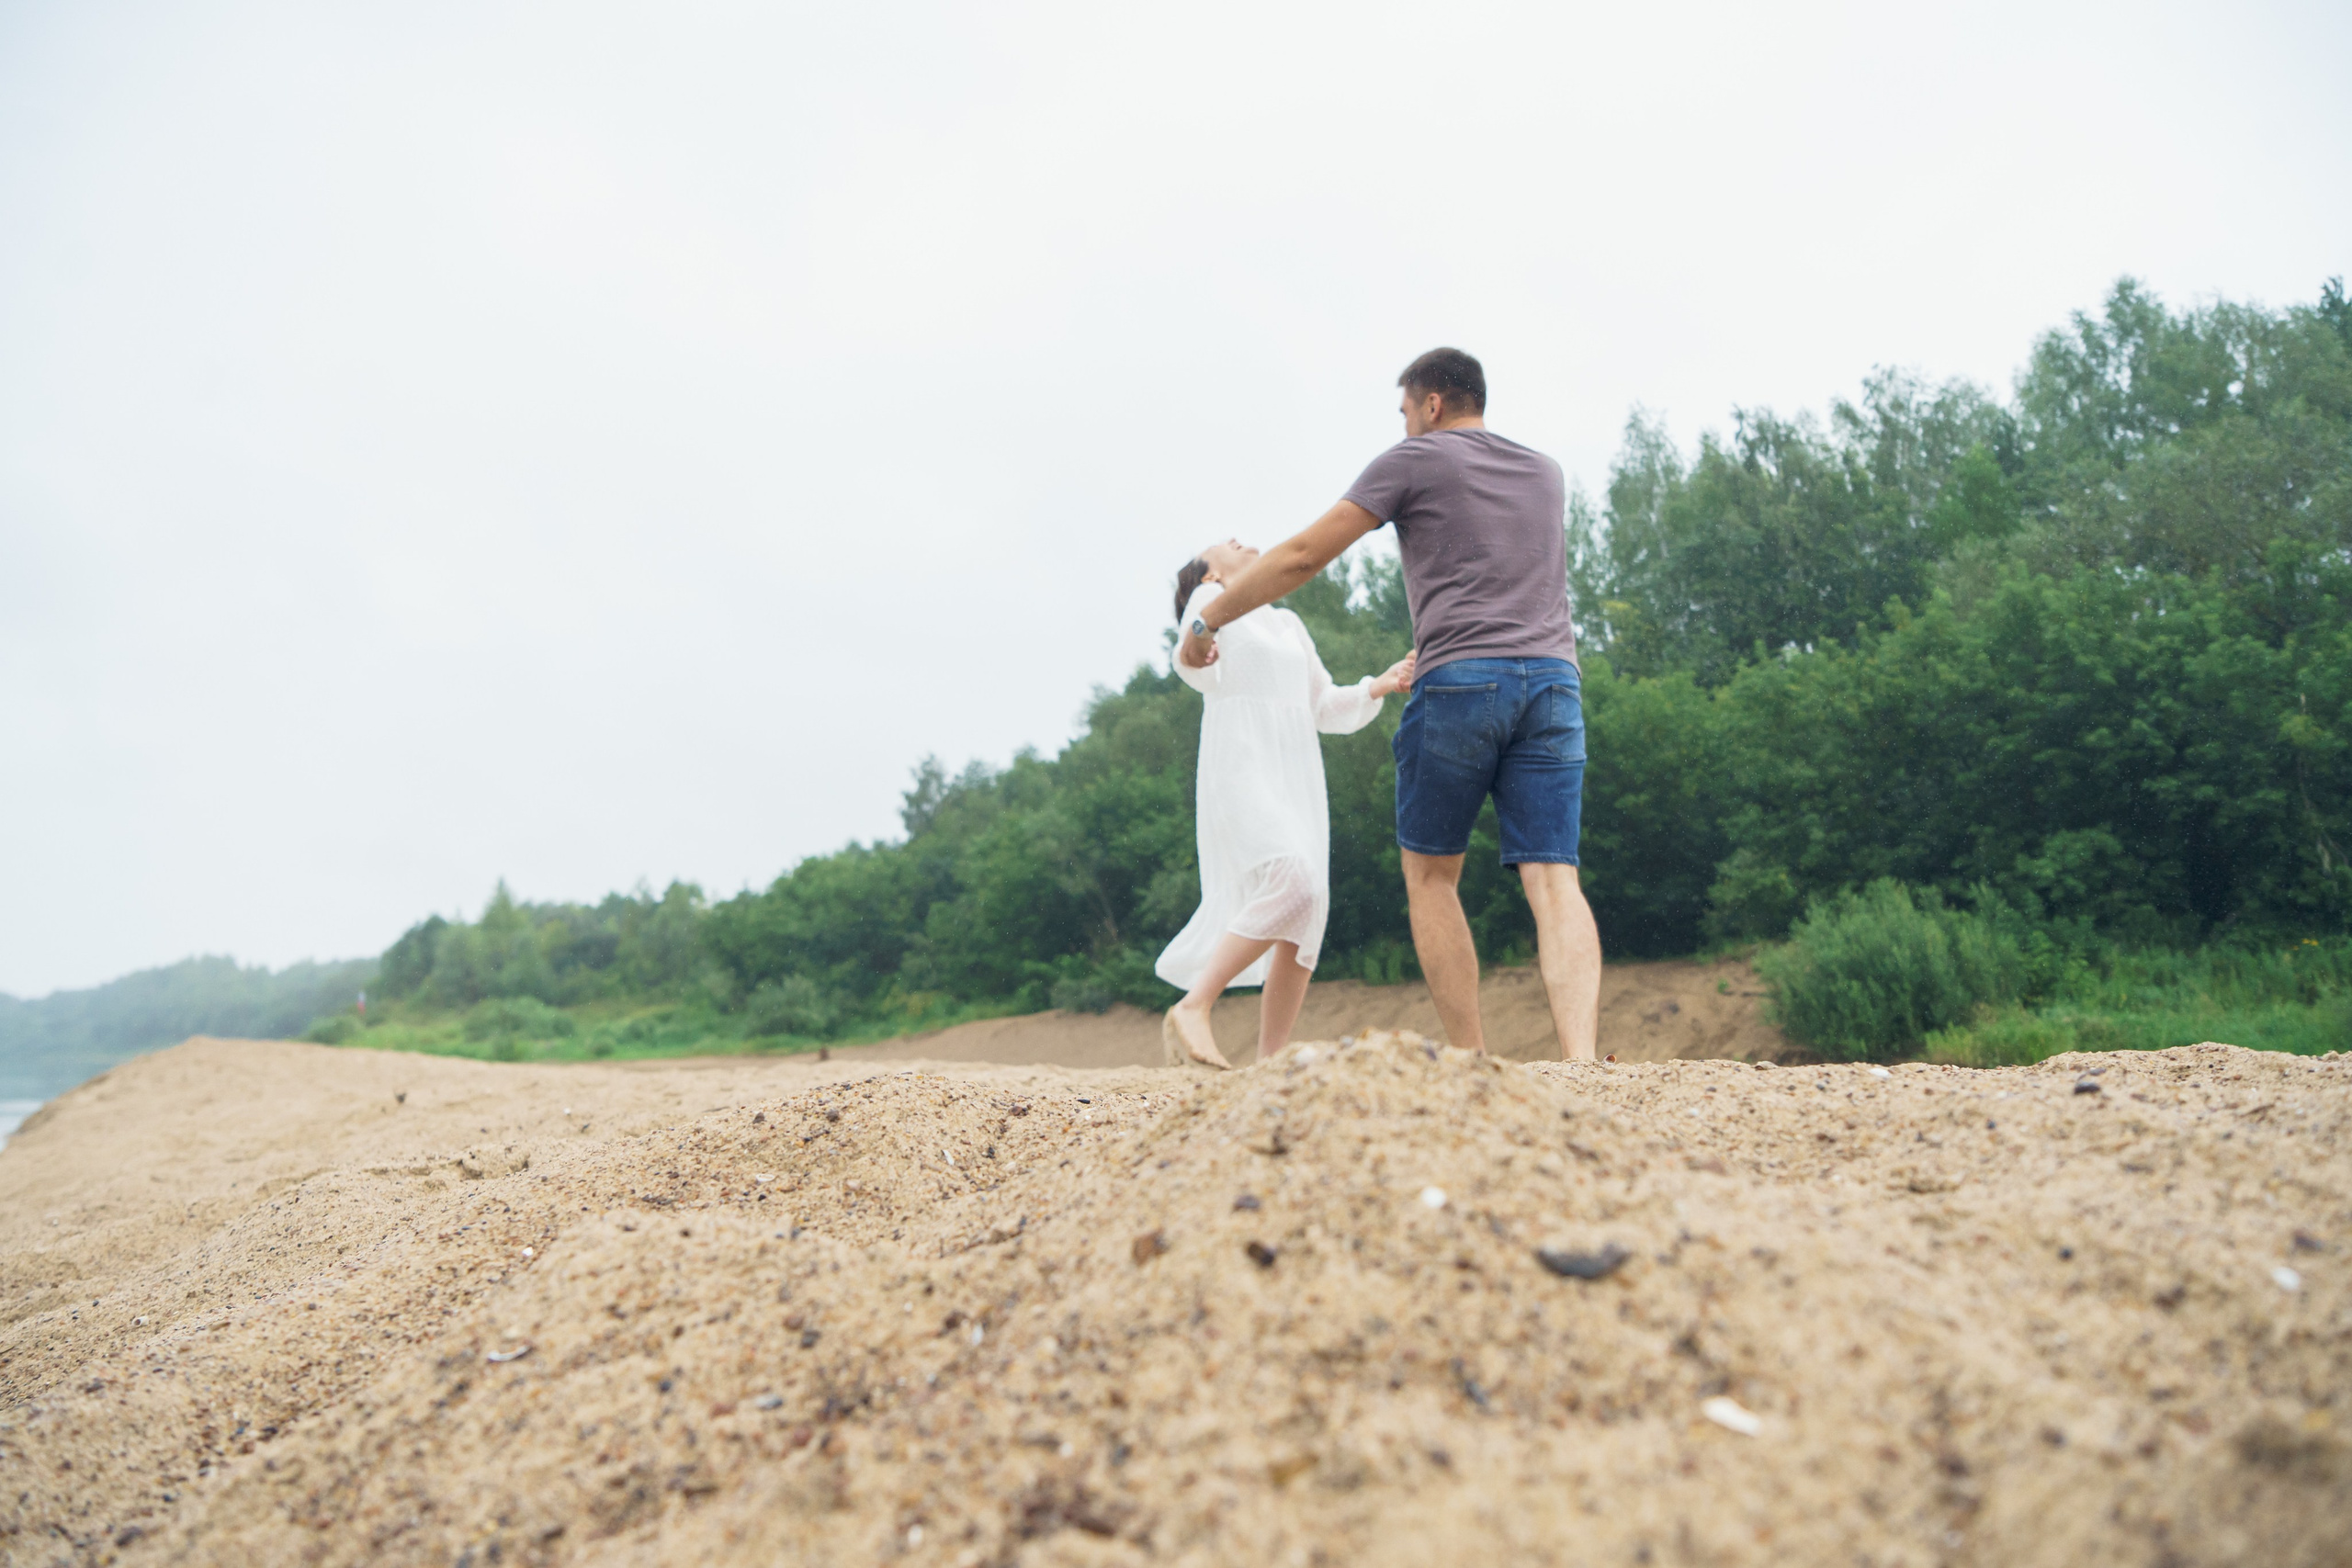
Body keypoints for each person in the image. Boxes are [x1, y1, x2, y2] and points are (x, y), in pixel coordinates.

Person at [1178, 348, 1601, 1060]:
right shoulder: (1545, 471)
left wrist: (1209, 619)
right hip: (1555, 683)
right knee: (1555, 877)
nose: (1405, 427)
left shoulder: (1415, 460)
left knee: (1433, 876)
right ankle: (1585, 1064)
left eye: (1406, 412)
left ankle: (1471, 1059)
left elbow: (1305, 554)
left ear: (1432, 404)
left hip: (1463, 680)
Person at [1158, 538, 1416, 1068]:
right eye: (1225, 541)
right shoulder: (1212, 603)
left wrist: (1379, 685)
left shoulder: (1287, 623)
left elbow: (1321, 703)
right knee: (1293, 880)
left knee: (1309, 907)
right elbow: (1191, 651)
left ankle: (1269, 1063)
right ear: (1210, 576)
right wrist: (1198, 642)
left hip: (1295, 772)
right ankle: (1193, 1006)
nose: (1240, 540)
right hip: (1244, 762)